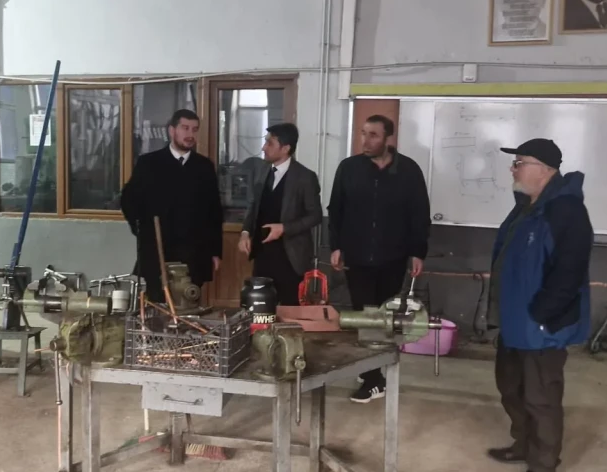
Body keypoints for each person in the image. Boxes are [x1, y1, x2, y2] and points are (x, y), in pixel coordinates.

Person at [486, 138, 593, 472]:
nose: (513, 169)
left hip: (541, 325)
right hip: (514, 321)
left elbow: (569, 273)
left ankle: (543, 466)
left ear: (545, 170)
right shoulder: (525, 208)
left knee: (540, 396)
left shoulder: (566, 211)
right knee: (510, 388)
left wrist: (541, 315)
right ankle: (523, 444)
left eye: (520, 162)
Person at [327, 114, 430, 403]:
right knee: (365, 314)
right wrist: (336, 246)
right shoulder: (349, 168)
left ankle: (373, 371)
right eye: (363, 133)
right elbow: (336, 209)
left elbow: (419, 213)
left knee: (384, 316)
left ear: (388, 138)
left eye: (373, 135)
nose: (365, 140)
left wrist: (417, 252)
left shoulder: (408, 170)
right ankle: (373, 378)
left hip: (393, 257)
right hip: (357, 256)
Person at [121, 109, 223, 302]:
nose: (190, 134)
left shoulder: (204, 167)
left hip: (195, 253)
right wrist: (142, 230)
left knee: (190, 303)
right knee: (157, 307)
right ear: (172, 130)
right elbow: (129, 201)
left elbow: (214, 212)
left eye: (194, 129)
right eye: (185, 128)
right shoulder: (149, 163)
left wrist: (215, 252)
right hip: (158, 249)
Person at [236, 123, 322, 306]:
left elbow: (315, 215)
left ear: (285, 148)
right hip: (262, 255)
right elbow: (253, 205)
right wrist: (245, 232)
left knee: (290, 309)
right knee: (260, 307)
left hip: (291, 257)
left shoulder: (305, 177)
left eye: (270, 143)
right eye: (265, 142)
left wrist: (284, 228)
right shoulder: (262, 171)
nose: (263, 148)